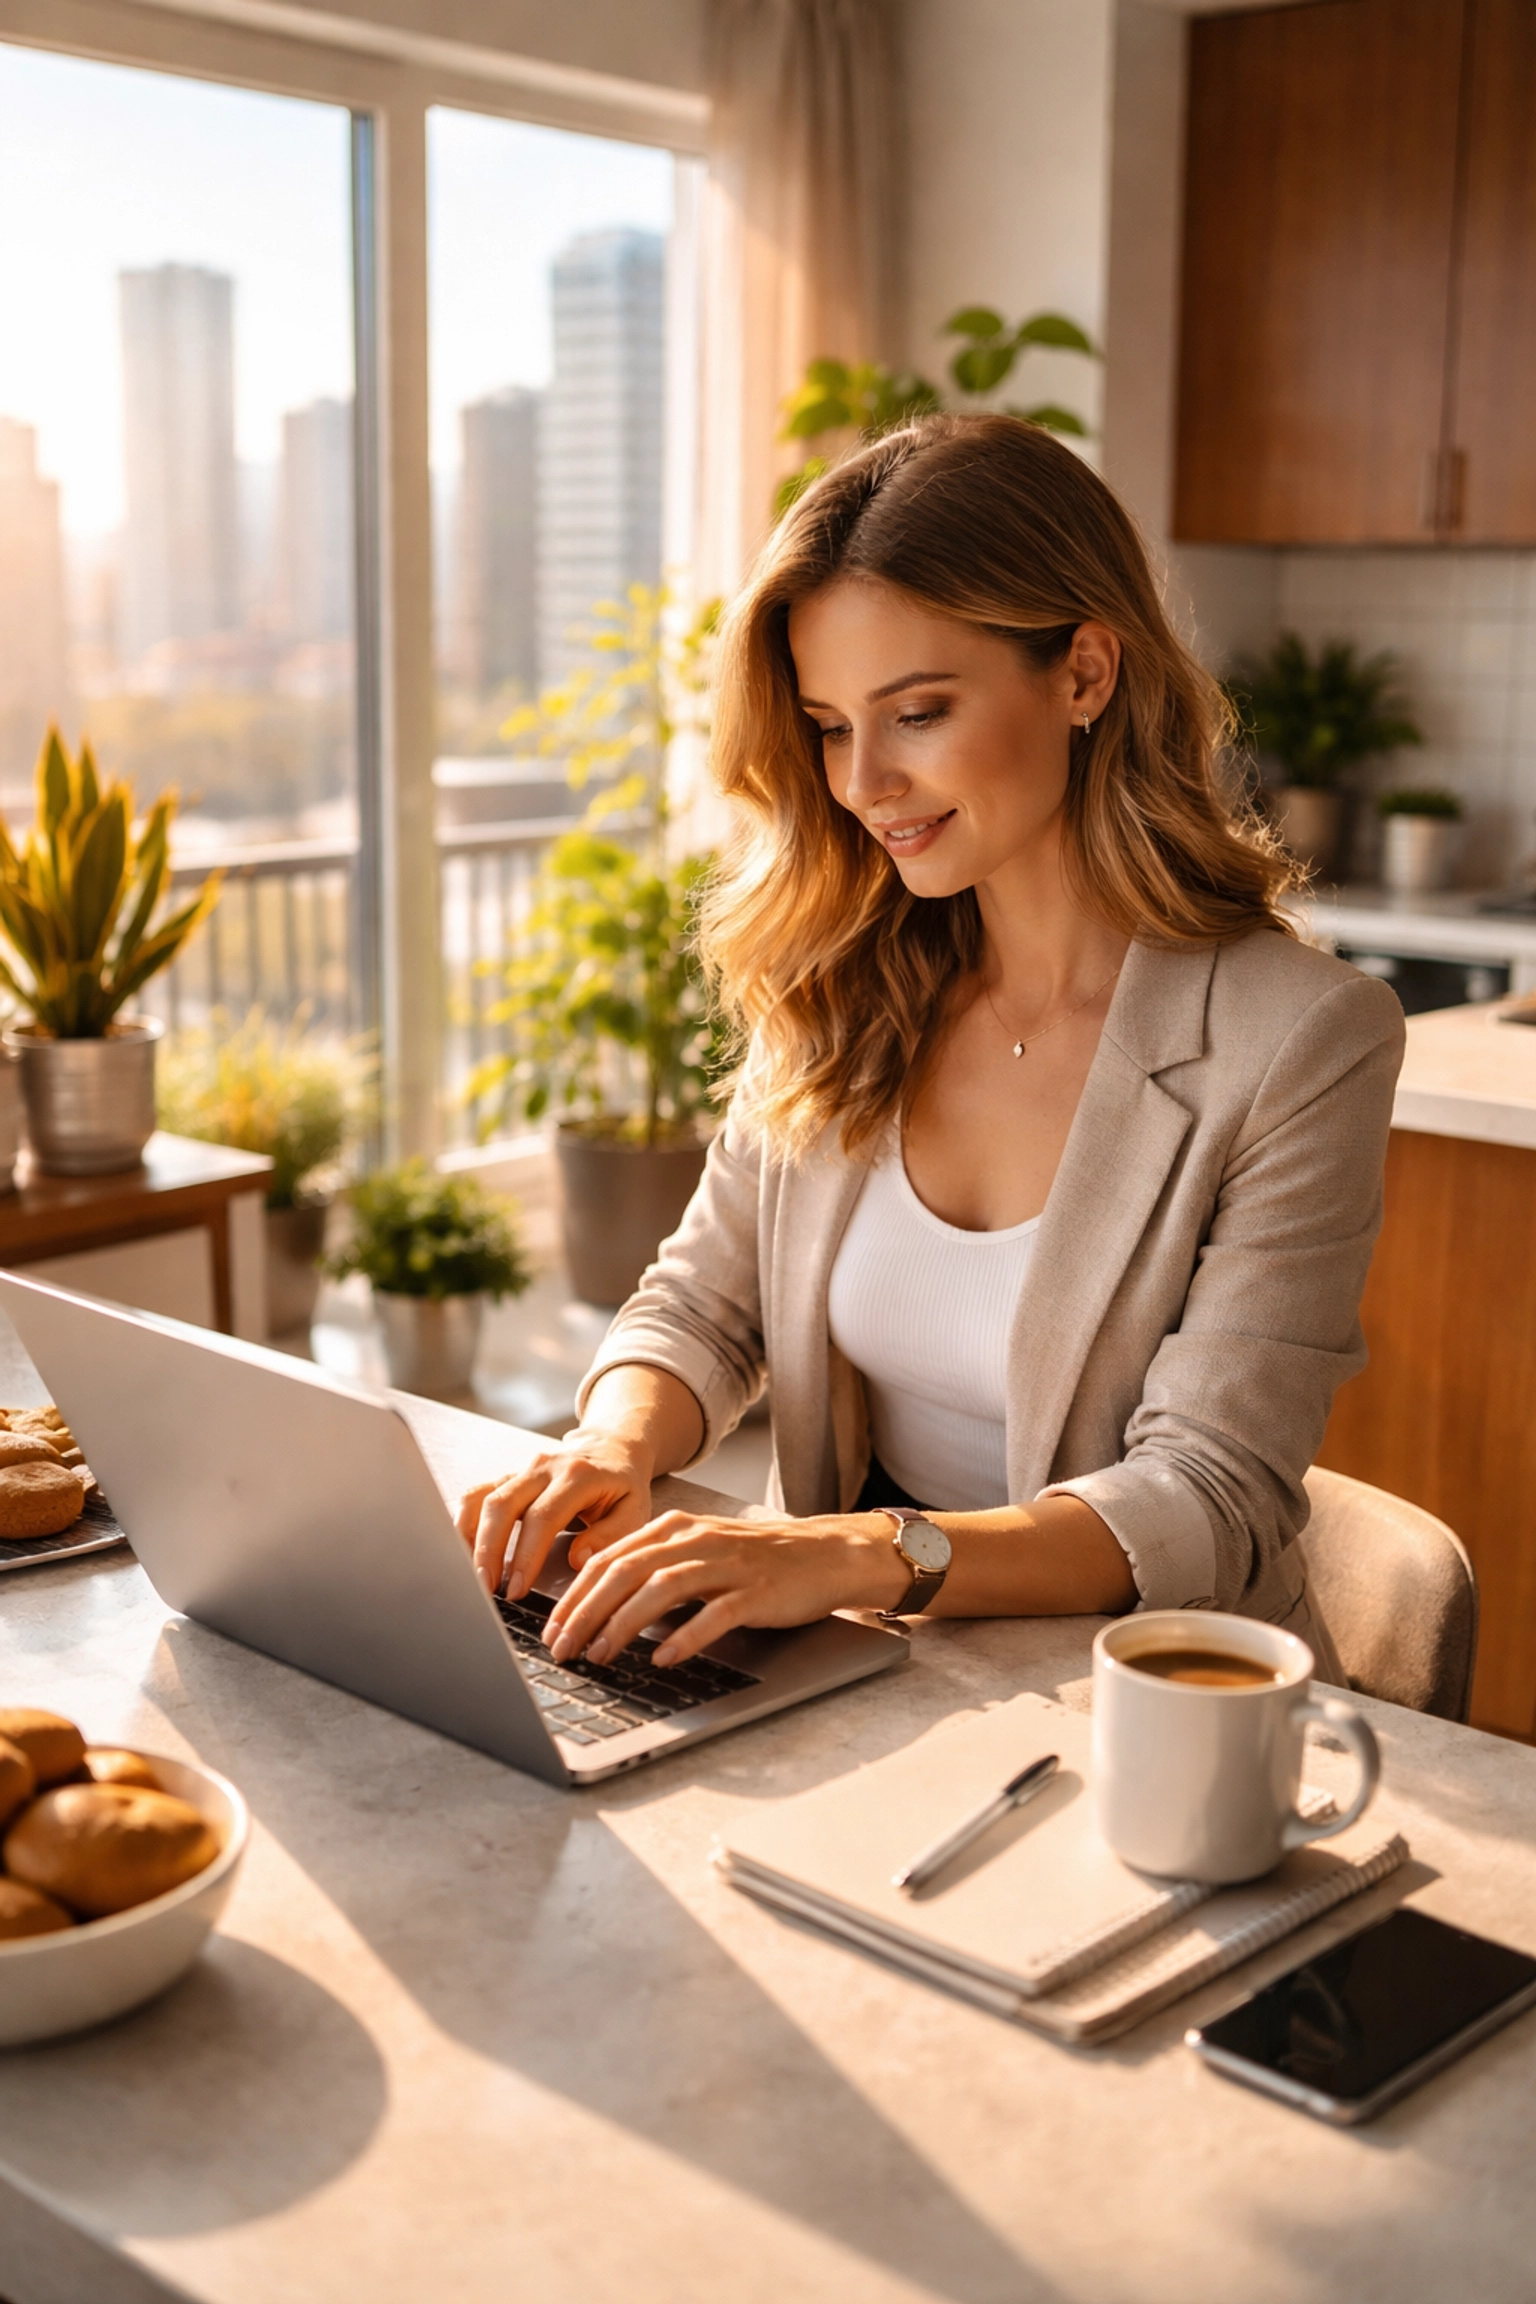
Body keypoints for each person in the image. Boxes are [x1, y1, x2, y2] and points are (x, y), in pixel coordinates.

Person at [458, 412, 1401, 1683]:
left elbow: (1208, 1492)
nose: (862, 783)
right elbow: (704, 1302)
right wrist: (613, 1445)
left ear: (1083, 673)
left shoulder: (1298, 1040)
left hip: (1145, 1712)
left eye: (917, 713)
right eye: (831, 725)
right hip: (873, 1681)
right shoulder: (849, 973)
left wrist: (864, 1556)